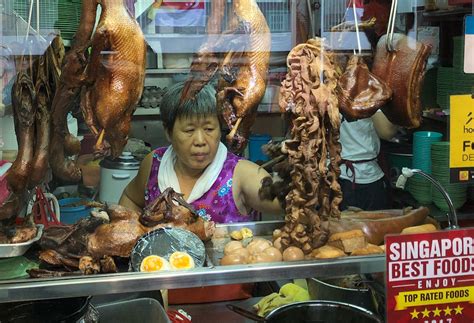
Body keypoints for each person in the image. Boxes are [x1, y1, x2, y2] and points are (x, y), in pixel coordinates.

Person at [119, 82, 283, 221]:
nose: (200, 141)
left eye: (209, 129)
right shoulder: (154, 163)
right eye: (189, 130)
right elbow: (131, 198)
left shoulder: (241, 173)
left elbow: (285, 203)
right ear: (168, 132)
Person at [339, 110, 399, 211]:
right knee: (372, 225)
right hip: (365, 177)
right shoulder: (371, 95)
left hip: (335, 173)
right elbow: (387, 132)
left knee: (338, 225)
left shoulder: (330, 93)